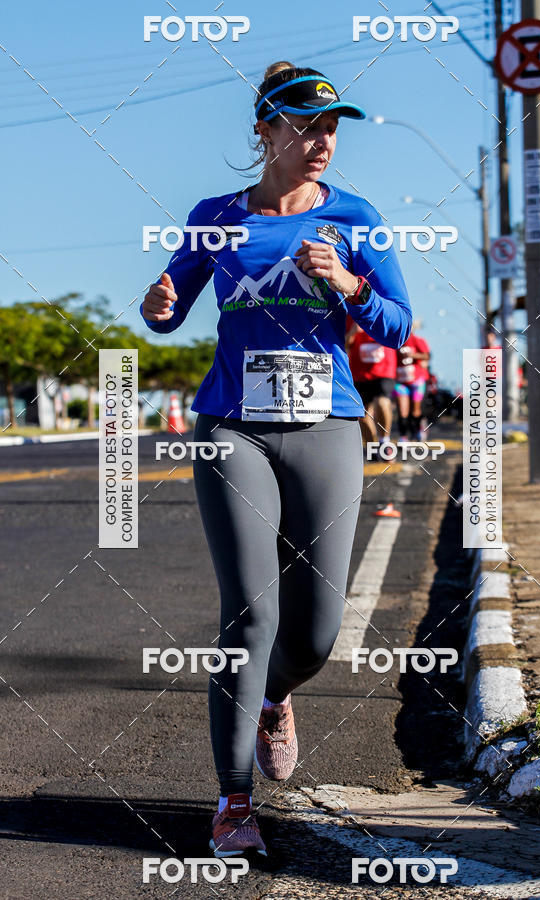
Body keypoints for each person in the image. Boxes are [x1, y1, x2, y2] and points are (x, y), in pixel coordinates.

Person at [141, 61, 411, 858]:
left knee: (317, 632)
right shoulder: (215, 216)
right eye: (303, 125)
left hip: (327, 427)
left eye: (330, 128)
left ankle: (275, 699)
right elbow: (167, 306)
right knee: (249, 615)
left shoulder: (357, 217)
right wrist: (157, 305)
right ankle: (232, 801)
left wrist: (352, 285)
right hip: (234, 429)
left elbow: (397, 326)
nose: (321, 141)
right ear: (264, 131)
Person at [346, 318, 396, 451]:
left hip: (383, 371)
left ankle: (384, 441)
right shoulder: (348, 315)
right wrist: (352, 333)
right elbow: (344, 346)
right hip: (359, 373)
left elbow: (397, 335)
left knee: (382, 401)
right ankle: (372, 449)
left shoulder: (383, 308)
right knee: (362, 415)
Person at [393, 325, 430, 441]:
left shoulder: (417, 340)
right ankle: (403, 436)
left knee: (415, 411)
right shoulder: (394, 341)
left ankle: (417, 429)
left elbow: (426, 356)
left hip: (417, 381)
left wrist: (412, 355)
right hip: (401, 382)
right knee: (403, 411)